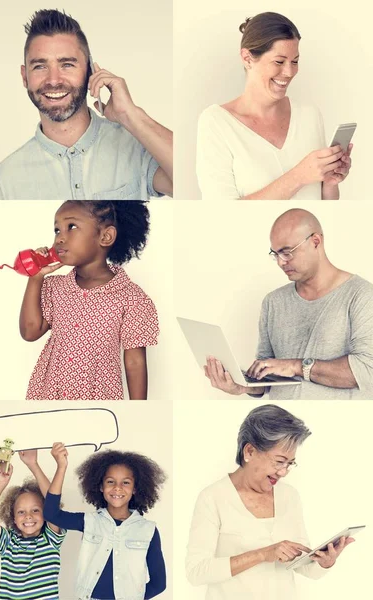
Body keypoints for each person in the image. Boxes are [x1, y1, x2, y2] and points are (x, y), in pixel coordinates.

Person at [0, 9, 173, 199]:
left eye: (67, 65)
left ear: (90, 71)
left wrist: (130, 114)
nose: (53, 80)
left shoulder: (135, 147)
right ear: (24, 76)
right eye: (40, 66)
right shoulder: (5, 179)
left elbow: (191, 180)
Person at [186, 404, 354, 599]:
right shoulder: (213, 498)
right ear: (249, 451)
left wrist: (325, 562)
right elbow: (196, 572)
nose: (283, 472)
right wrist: (262, 554)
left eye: (290, 463)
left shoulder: (290, 496)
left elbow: (302, 567)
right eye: (279, 461)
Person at [204, 208, 373, 399]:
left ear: (316, 241)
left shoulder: (362, 295)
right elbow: (268, 377)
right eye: (275, 254)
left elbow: (367, 371)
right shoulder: (273, 302)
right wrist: (242, 387)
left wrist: (294, 366)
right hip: (282, 416)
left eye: (287, 252)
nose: (280, 262)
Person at [196, 12, 352, 200]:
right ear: (247, 58)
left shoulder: (309, 115)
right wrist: (299, 176)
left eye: (295, 61)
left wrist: (329, 181)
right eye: (279, 61)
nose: (289, 72)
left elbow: (325, 208)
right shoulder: (216, 122)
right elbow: (219, 215)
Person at [20, 201, 159, 400]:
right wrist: (35, 277)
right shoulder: (54, 287)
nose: (60, 237)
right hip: (49, 397)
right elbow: (30, 331)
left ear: (105, 236)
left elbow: (135, 362)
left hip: (97, 400)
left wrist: (137, 412)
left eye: (71, 227)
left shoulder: (132, 298)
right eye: (57, 230)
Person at [44, 443, 167, 600]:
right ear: (101, 486)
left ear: (135, 488)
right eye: (110, 481)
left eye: (126, 482)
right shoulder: (89, 521)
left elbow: (159, 583)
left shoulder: (148, 530)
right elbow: (51, 514)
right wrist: (61, 466)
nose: (117, 488)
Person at [0, 449, 66, 600]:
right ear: (12, 517)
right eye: (21, 512)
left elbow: (52, 502)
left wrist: (33, 464)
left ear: (46, 513)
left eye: (35, 510)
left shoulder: (50, 540)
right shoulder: (8, 543)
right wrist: (1, 483)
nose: (28, 516)